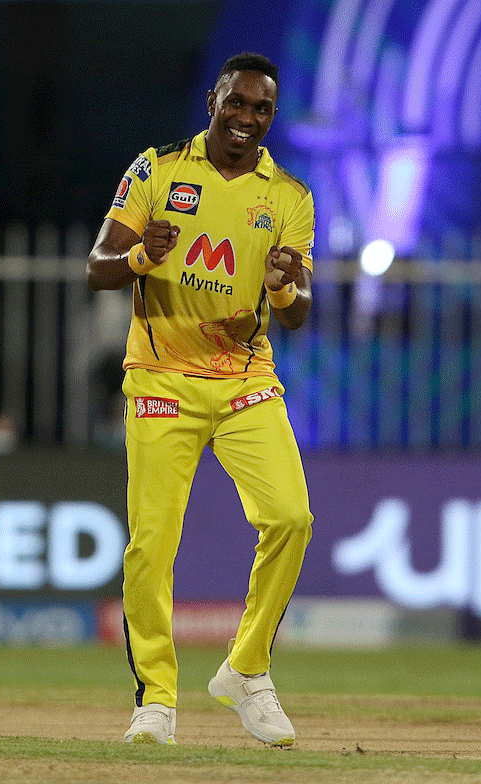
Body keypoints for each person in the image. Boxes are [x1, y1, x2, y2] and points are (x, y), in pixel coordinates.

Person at [87, 52, 314, 747]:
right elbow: (98, 267)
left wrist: (282, 285)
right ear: (214, 99)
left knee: (291, 517)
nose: (246, 119)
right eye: (236, 103)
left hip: (244, 378)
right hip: (161, 378)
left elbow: (299, 309)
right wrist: (138, 260)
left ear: (272, 117)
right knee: (152, 544)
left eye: (261, 109)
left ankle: (246, 671)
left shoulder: (289, 197)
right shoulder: (157, 170)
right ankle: (156, 698)